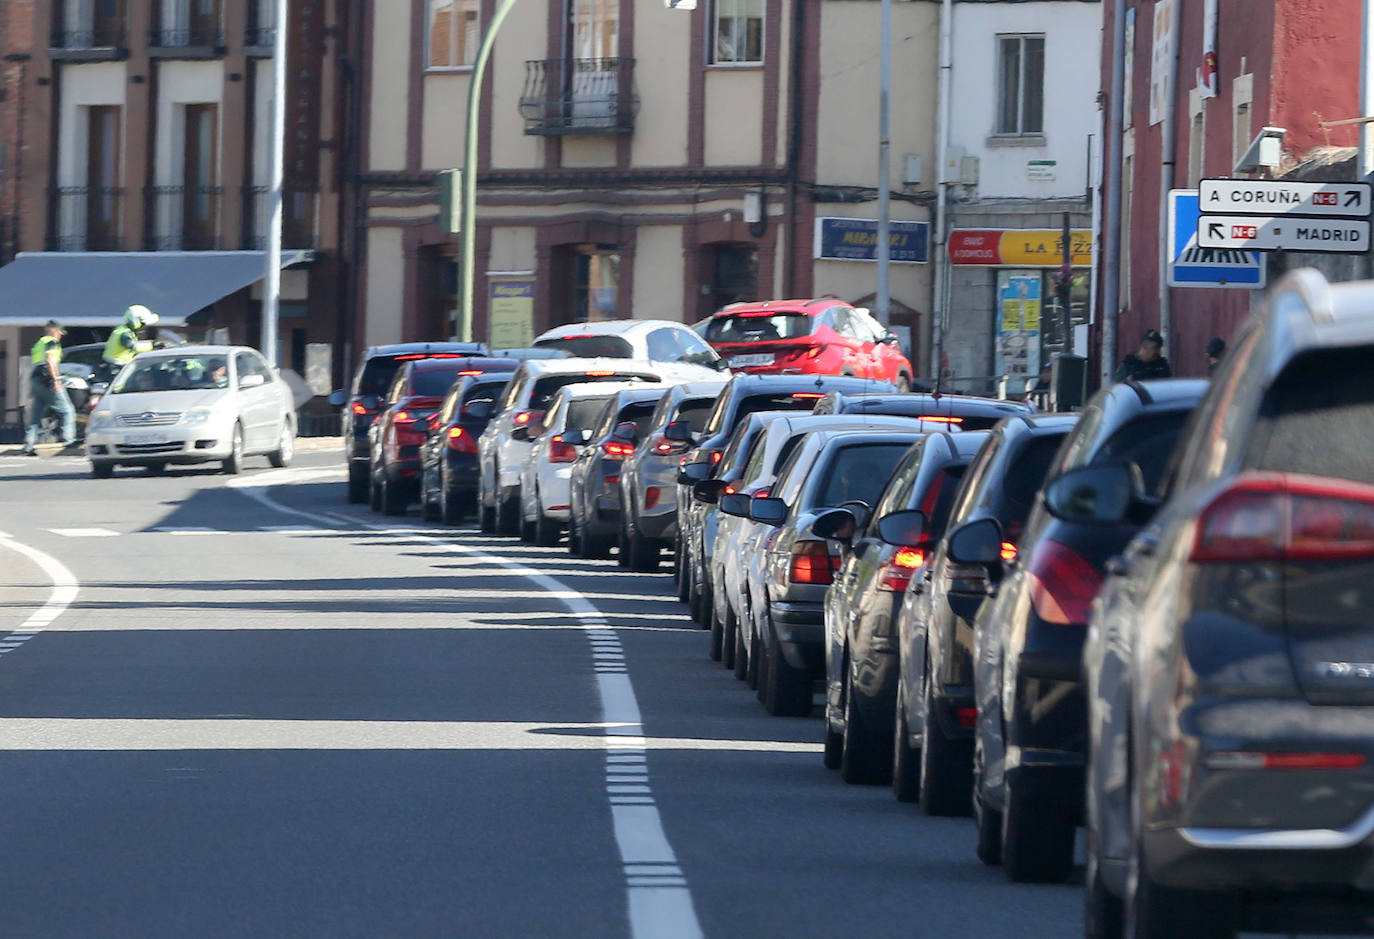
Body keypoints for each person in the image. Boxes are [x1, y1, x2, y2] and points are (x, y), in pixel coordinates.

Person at [22, 320, 77, 456]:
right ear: (55, 331)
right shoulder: (52, 342)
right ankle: (69, 440)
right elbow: (50, 360)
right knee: (67, 410)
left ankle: (28, 445)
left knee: (36, 415)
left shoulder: (40, 342)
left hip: (35, 379)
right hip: (46, 379)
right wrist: (56, 380)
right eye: (60, 332)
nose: (60, 335)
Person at [103, 304, 160, 368]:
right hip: (116, 365)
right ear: (136, 321)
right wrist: (152, 346)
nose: (143, 327)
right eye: (143, 324)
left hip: (117, 363)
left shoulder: (123, 330)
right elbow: (133, 347)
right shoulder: (125, 334)